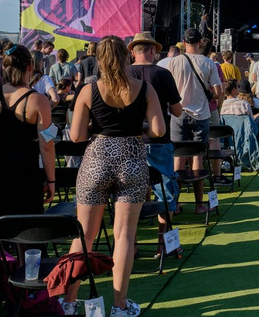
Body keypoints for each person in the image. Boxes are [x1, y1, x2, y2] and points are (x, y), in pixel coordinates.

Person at [64, 36, 166, 317]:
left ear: (98, 58)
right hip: (132, 158)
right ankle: (119, 306)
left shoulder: (88, 90)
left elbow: (76, 136)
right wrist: (137, 130)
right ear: (126, 56)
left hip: (97, 157)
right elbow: (158, 130)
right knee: (124, 236)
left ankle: (69, 302)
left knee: (84, 234)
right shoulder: (144, 88)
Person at [0, 45, 55, 224]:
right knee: (27, 232)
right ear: (29, 67)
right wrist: (51, 180)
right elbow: (47, 145)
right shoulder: (39, 100)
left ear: (4, 67)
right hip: (25, 173)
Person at [128, 31, 182, 232]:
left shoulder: (124, 74)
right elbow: (177, 111)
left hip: (129, 141)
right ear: (152, 50)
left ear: (133, 52)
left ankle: (130, 244)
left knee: (128, 193)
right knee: (165, 192)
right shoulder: (162, 74)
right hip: (158, 139)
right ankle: (164, 242)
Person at [167, 28, 223, 212]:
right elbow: (217, 92)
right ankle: (199, 204)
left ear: (183, 43)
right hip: (201, 114)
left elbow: (168, 88)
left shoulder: (173, 62)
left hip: (179, 113)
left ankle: (175, 203)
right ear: (200, 43)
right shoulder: (209, 63)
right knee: (198, 157)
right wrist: (209, 95)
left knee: (178, 158)